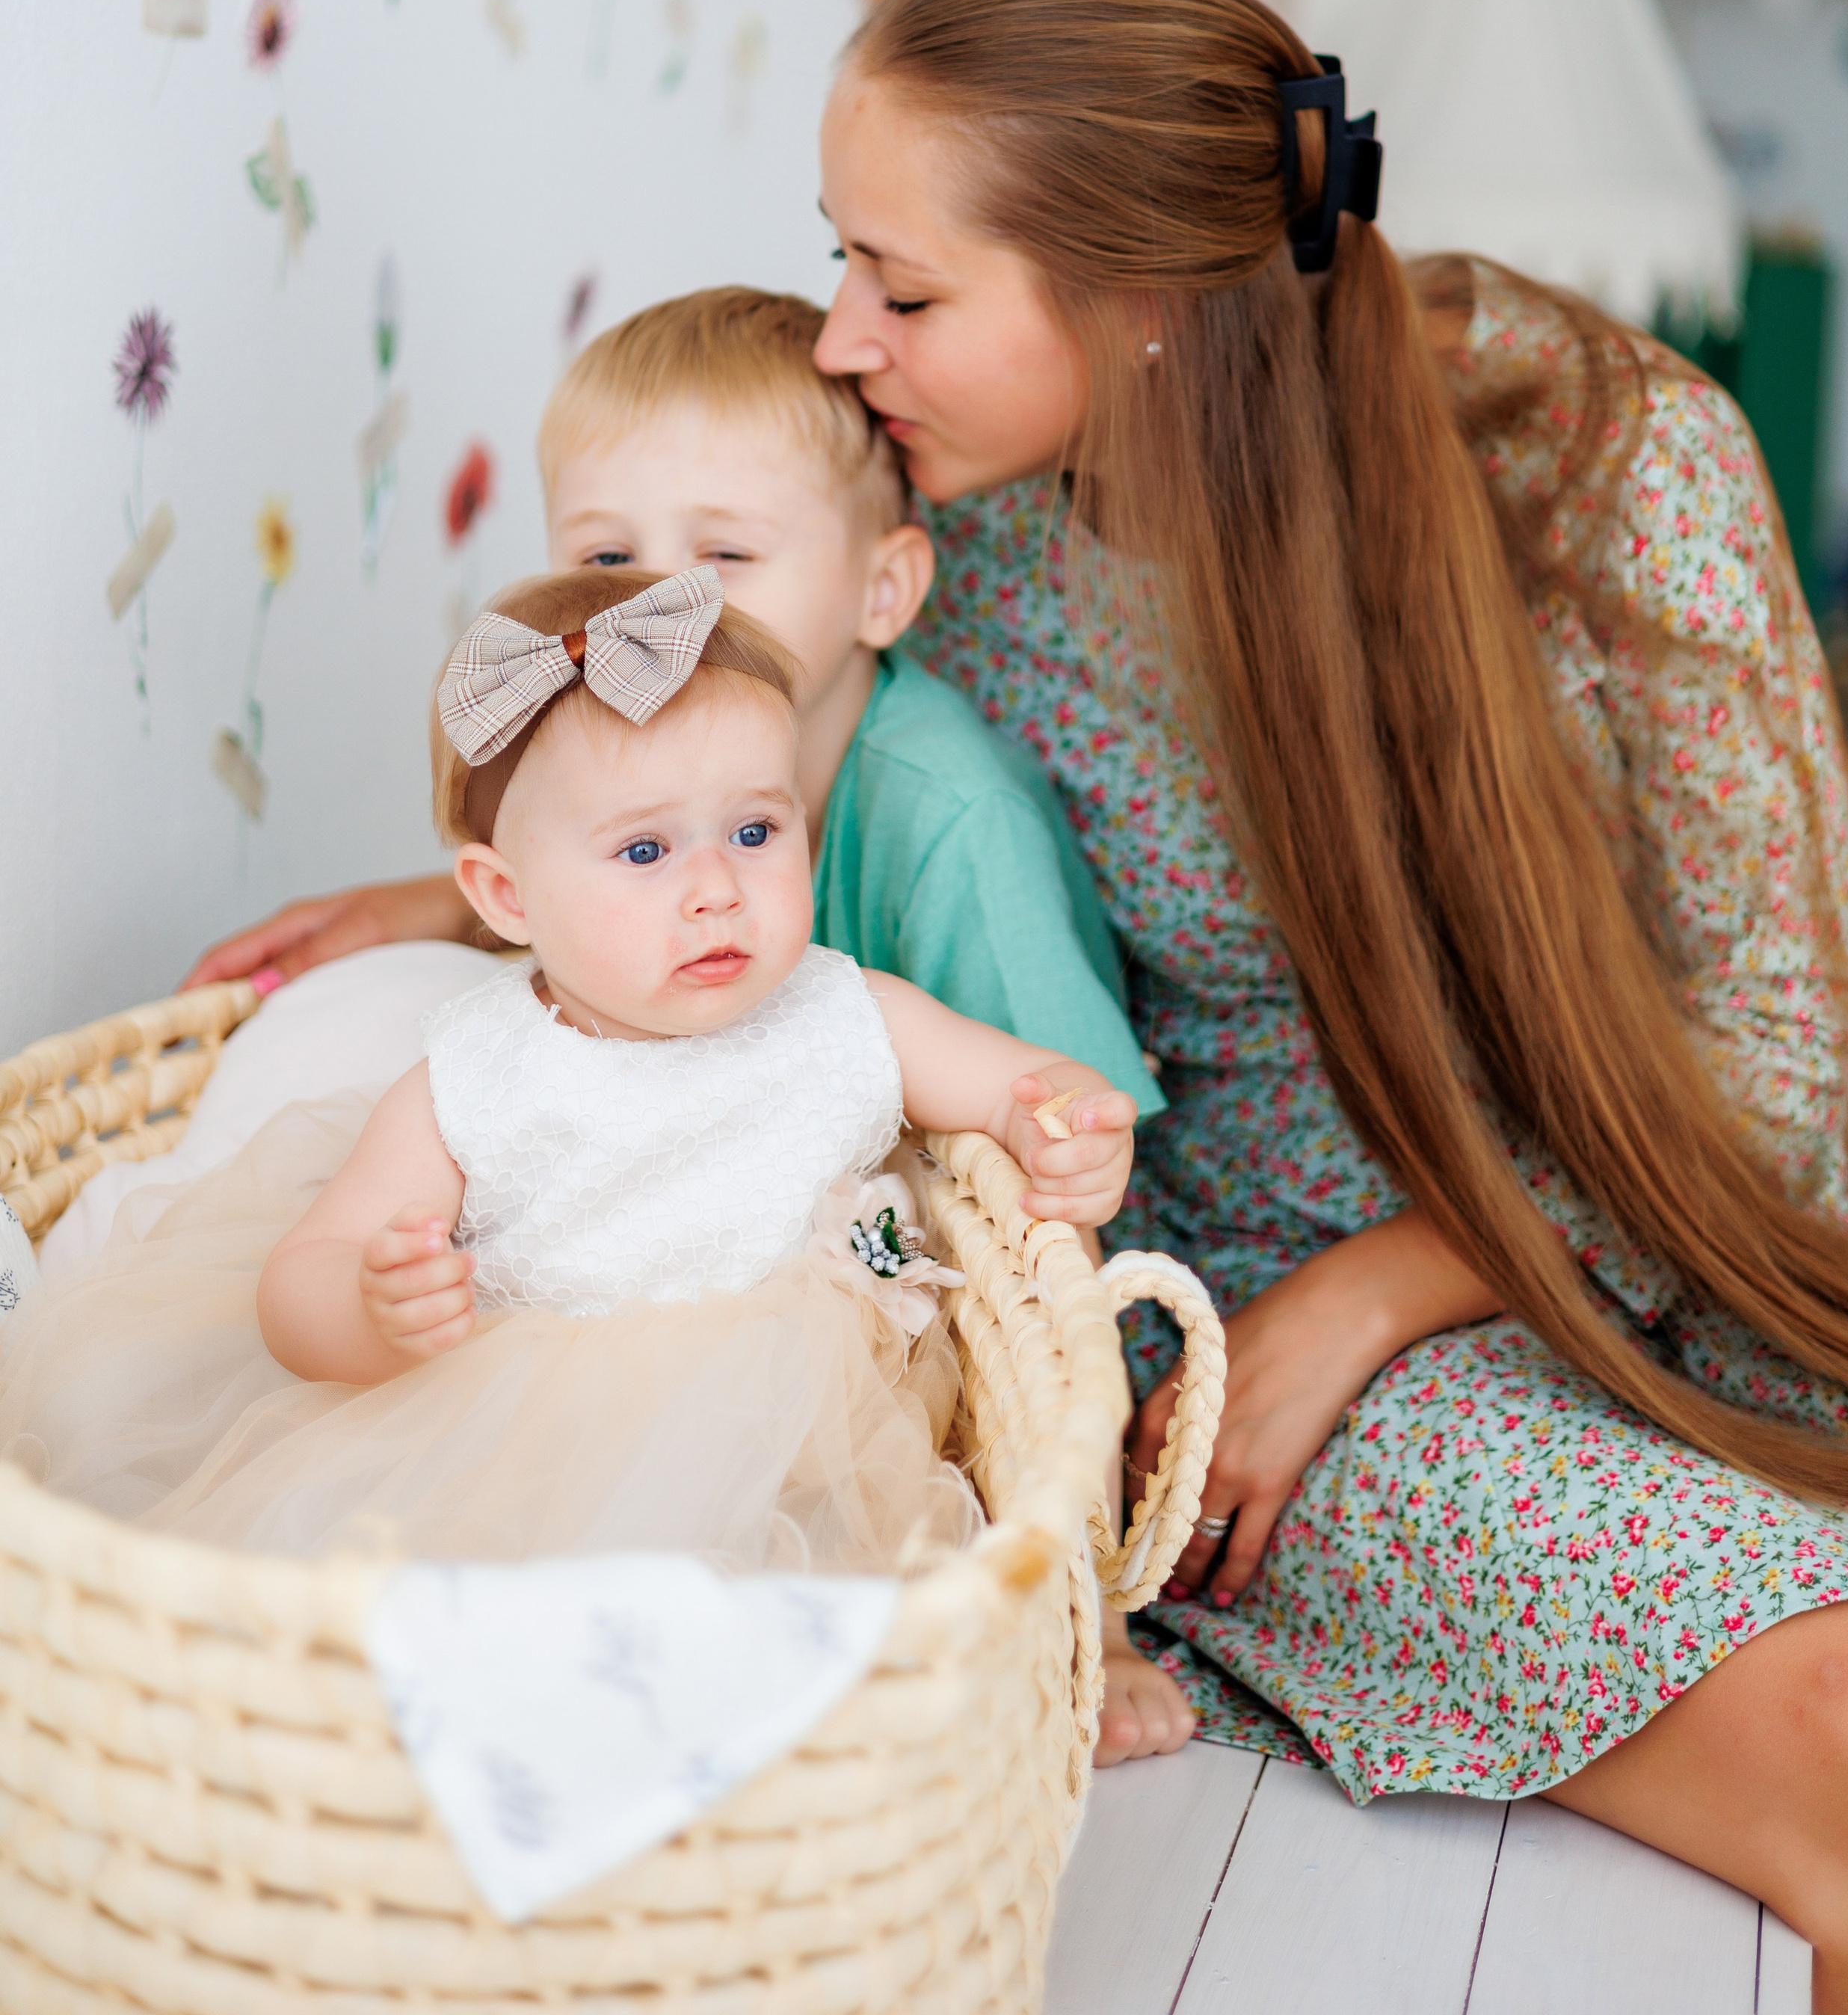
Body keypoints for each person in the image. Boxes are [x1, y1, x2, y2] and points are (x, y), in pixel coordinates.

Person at [807, 0, 1848, 2008]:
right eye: (840, 262)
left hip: (1691, 1223)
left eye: (909, 289)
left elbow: (1784, 1051)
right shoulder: (938, 587)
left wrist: (1397, 1276)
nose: (839, 338)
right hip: (1301, 1382)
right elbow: (713, 820)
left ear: (1141, 304)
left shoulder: (1603, 461)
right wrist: (457, 901)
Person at [187, 286, 1185, 1759]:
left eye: (722, 554)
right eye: (606, 559)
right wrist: (431, 915)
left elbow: (1045, 1167)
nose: (669, 610)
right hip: (588, 1318)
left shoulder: (943, 822)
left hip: (854, 1296)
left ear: (881, 591)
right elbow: (590, 916)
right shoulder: (506, 1026)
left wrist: (1081, 1599)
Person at [3, 565, 1135, 1572]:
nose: (714, 888)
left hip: (805, 1444)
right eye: (645, 851)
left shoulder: (846, 1009)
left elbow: (1026, 1084)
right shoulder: (481, 1075)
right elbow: (301, 1278)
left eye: (754, 831)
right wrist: (371, 1306)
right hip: (521, 1450)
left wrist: (1069, 1129)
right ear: (504, 897)